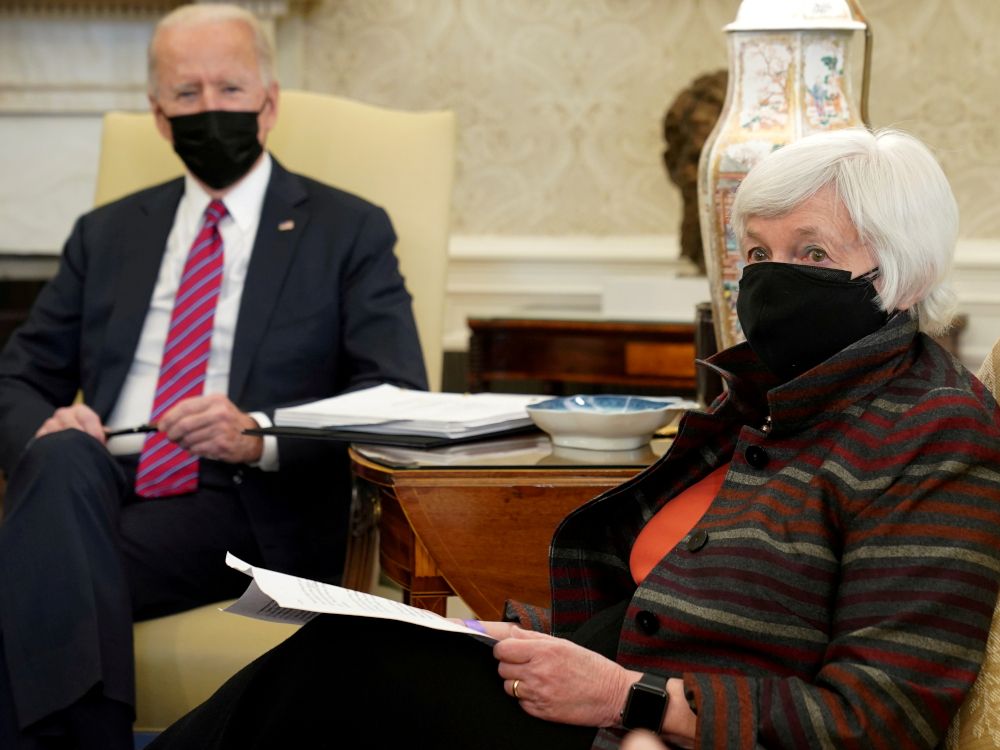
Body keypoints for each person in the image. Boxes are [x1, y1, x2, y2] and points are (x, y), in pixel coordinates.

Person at [150, 127, 1000, 750]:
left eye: (809, 252)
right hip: (595, 677)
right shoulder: (774, 396)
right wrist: (528, 641)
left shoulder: (935, 430)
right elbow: (682, 597)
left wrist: (629, 701)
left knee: (336, 681)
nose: (771, 277)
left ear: (897, 273)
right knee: (345, 656)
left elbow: (878, 715)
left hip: (653, 716)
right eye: (755, 252)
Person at [0, 4, 426, 748]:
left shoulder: (346, 228)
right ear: (159, 116)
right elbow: (16, 379)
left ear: (269, 102)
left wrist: (257, 433)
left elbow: (395, 393)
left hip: (244, 503)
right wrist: (47, 421)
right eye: (186, 93)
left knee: (32, 571)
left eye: (228, 89)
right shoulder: (106, 233)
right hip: (102, 485)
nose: (209, 108)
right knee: (64, 454)